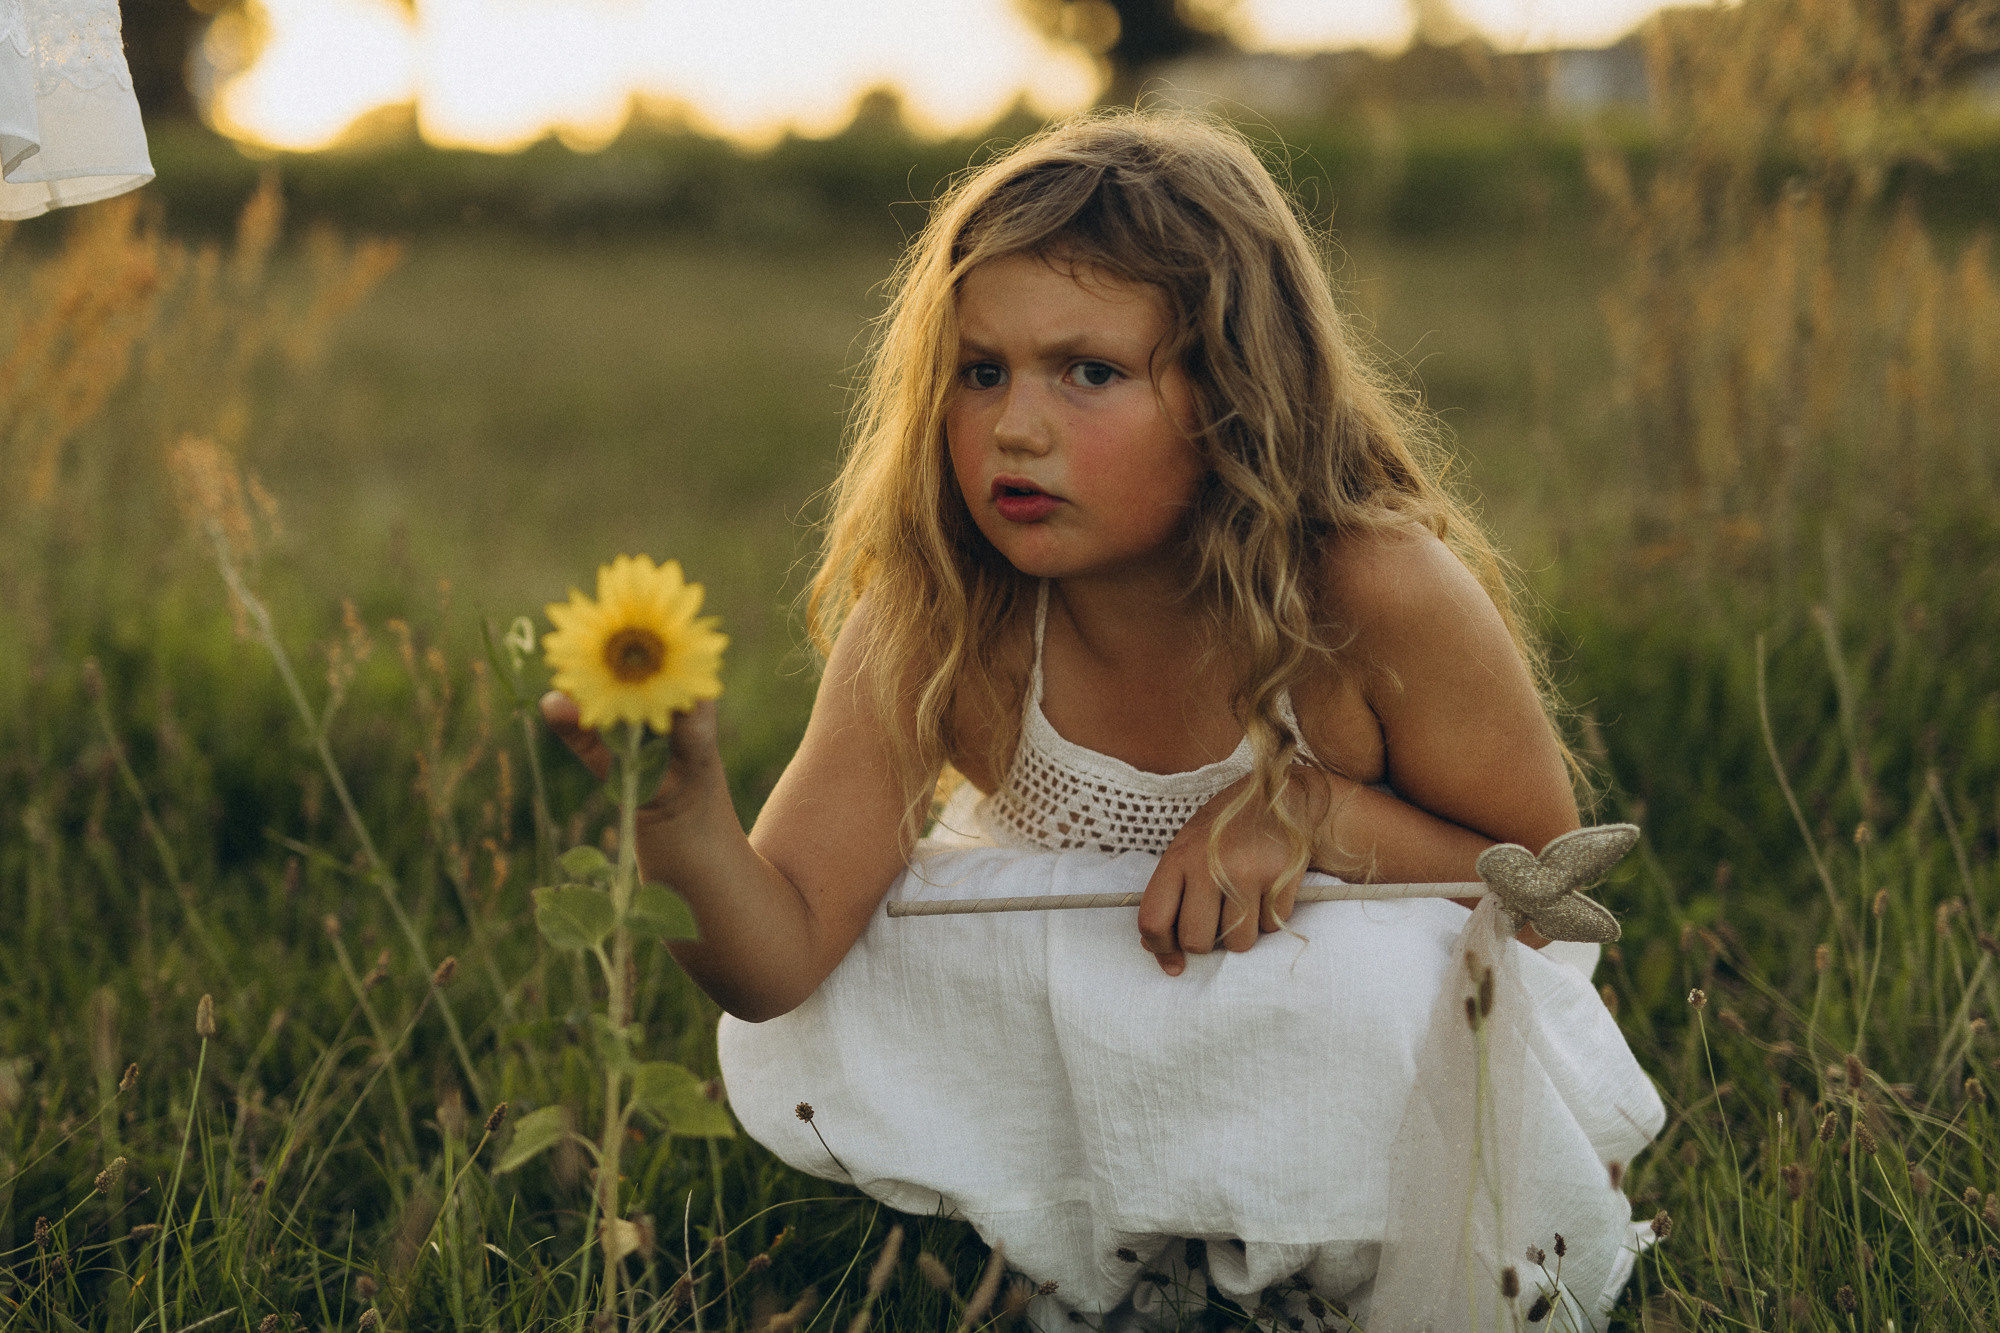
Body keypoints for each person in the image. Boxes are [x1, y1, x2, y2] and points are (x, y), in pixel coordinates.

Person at [544, 110, 1663, 1330]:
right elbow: (780, 960)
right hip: (1100, 1021)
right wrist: (679, 814)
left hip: (1347, 1071)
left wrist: (1308, 812)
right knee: (900, 939)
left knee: (1364, 972)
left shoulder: (1366, 590)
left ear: (1232, 392)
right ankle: (1096, 1263)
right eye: (981, 372)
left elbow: (1547, 907)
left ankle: (1313, 1278)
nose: (1015, 427)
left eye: (1089, 372)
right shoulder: (941, 611)